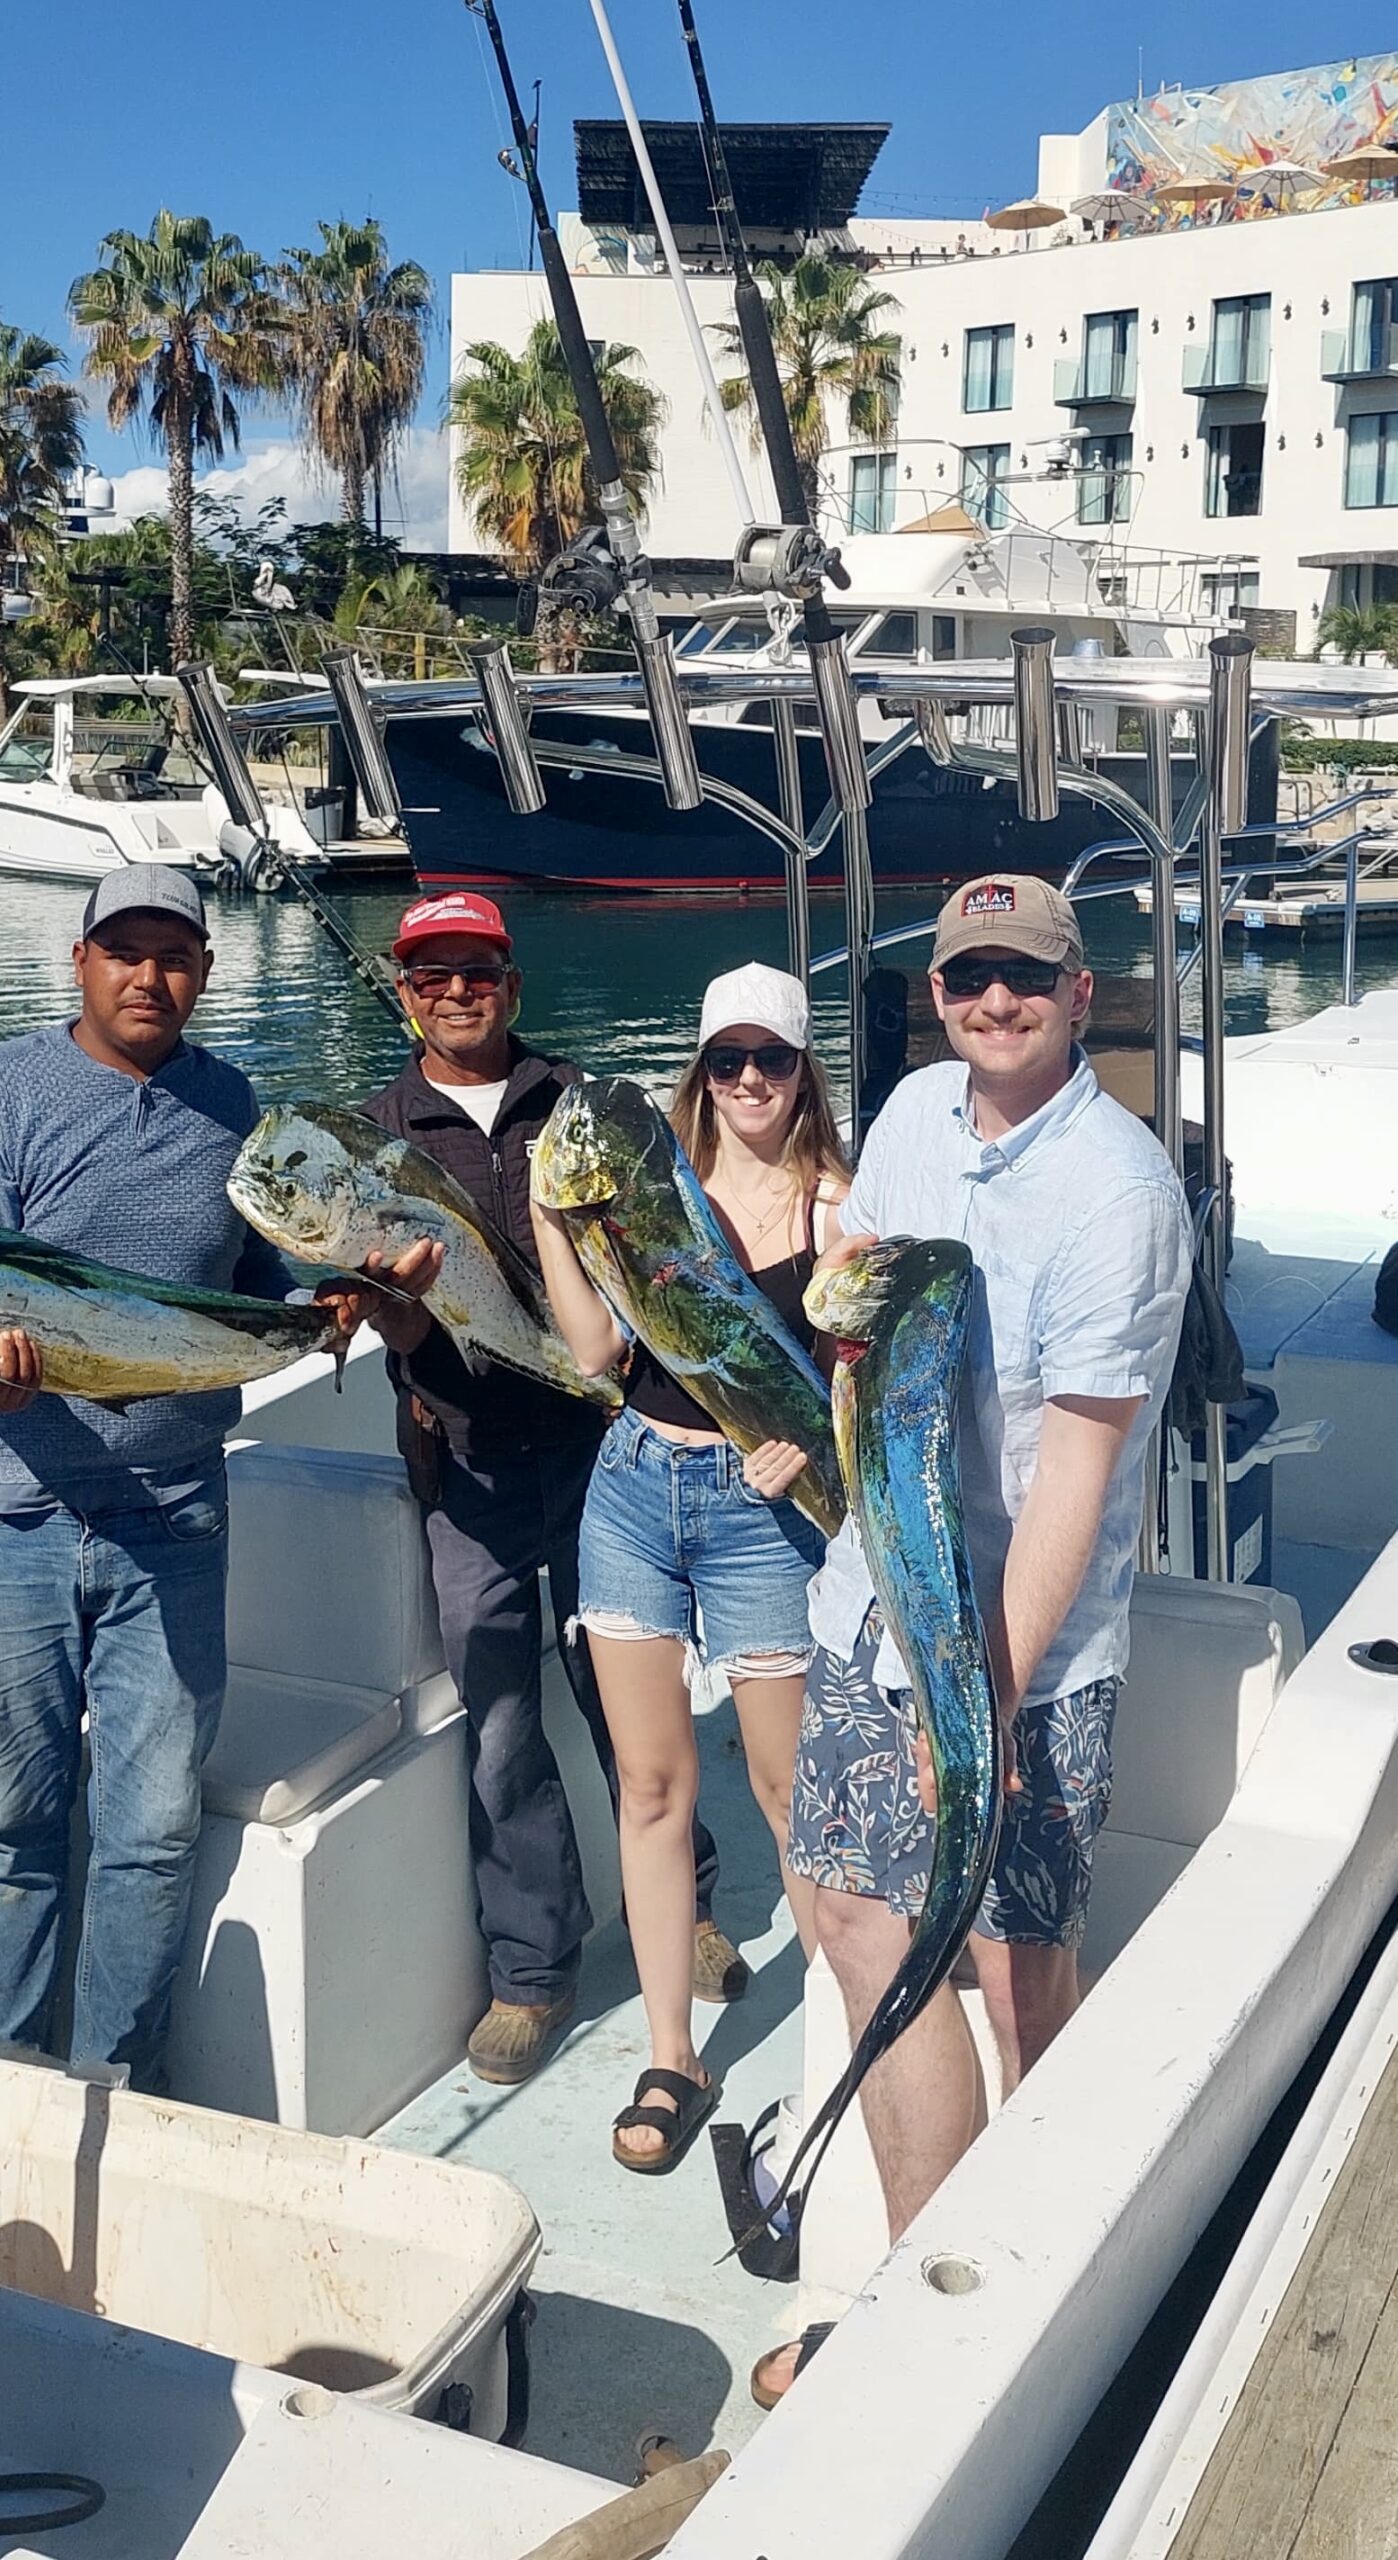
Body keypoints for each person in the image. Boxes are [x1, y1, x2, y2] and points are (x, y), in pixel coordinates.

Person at [755, 875, 1190, 2405]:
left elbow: (1075, 1471)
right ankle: (951, 2289)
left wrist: (977, 1710)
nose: (990, 1000)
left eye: (1023, 977)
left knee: (1003, 1966)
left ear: (1081, 997)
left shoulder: (1121, 1196)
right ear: (932, 995)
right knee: (856, 1909)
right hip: (867, 1603)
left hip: (1021, 1649)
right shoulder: (912, 1118)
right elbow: (851, 1310)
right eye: (965, 978)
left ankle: (1002, 2288)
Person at [355, 892, 745, 2089]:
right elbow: (357, 1298)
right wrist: (384, 1303)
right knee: (502, 1721)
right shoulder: (374, 1131)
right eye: (433, 976)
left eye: (479, 972)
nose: (457, 991)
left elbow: (664, 1242)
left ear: (514, 985)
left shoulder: (584, 1106)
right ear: (404, 990)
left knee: (629, 1700)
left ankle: (685, 1906)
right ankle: (534, 1965)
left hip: (602, 1453)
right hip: (461, 1462)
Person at [0, 863, 293, 2094]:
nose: (149, 975)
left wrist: (348, 1294)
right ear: (77, 961)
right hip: (4, 1512)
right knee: (16, 1827)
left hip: (173, 1508)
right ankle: (5, 2088)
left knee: (153, 1830)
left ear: (205, 971)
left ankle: (116, 2093)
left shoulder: (234, 1106)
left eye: (174, 953)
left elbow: (262, 1293)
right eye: (123, 950)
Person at [532, 963, 849, 2173]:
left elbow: (861, 1389)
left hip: (761, 1514)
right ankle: (673, 2052)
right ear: (701, 1071)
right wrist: (562, 1227)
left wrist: (810, 1438)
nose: (752, 1081)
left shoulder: (833, 1206)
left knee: (786, 1793)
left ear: (803, 1067)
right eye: (729, 1061)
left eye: (772, 1059)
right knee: (652, 1789)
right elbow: (599, 1349)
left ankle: (847, 2032)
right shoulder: (650, 1188)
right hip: (631, 1489)